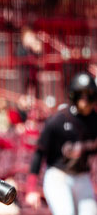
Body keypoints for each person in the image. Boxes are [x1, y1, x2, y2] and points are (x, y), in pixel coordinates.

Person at [25, 72, 97, 215]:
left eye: (88, 94)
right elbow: (39, 153)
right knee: (66, 212)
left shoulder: (95, 121)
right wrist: (31, 188)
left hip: (82, 176)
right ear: (73, 95)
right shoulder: (58, 120)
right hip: (58, 176)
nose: (84, 99)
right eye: (80, 94)